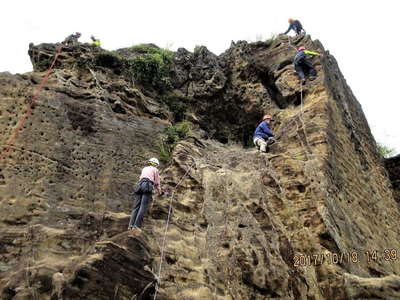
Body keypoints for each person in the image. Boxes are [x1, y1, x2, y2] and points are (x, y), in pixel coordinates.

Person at [128, 158, 162, 229]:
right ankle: (136, 226)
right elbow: (157, 183)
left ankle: (130, 225)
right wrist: (159, 192)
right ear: (156, 164)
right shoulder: (155, 170)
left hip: (139, 185)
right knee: (143, 207)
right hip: (147, 185)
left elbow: (141, 178)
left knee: (136, 207)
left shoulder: (144, 168)